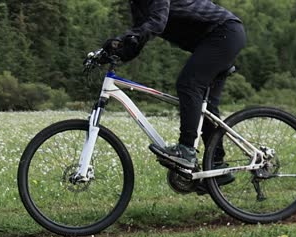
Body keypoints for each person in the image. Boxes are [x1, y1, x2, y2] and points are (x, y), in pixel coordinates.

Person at [102, 0, 246, 172]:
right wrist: (109, 55)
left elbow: (157, 22)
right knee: (204, 106)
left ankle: (186, 150)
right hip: (217, 38)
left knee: (189, 85)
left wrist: (125, 37)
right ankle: (216, 167)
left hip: (224, 32)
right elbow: (137, 40)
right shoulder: (138, 5)